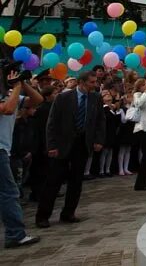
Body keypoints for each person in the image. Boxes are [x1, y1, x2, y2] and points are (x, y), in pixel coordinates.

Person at [36, 70, 105, 228]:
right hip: (62, 144)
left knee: (76, 181)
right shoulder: (63, 97)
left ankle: (68, 213)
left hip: (82, 144)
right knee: (54, 180)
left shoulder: (95, 98)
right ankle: (43, 216)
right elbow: (52, 122)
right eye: (92, 82)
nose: (95, 85)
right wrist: (51, 145)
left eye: (96, 82)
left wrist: (98, 140)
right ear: (81, 82)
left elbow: (100, 120)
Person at [0, 67, 42, 248]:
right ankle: (15, 234)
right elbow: (8, 109)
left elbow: (38, 100)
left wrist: (23, 83)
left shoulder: (12, 94)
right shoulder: (10, 97)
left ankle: (15, 233)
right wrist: (16, 86)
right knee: (10, 193)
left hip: (4, 150)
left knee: (8, 192)